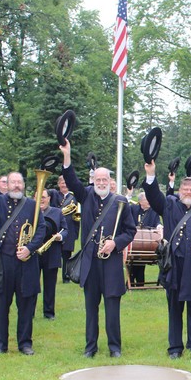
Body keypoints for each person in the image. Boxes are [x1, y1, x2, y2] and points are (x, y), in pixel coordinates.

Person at [61, 142, 136, 358]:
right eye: (98, 179)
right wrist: (67, 156)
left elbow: (130, 231)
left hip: (111, 263)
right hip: (91, 263)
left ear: (110, 182)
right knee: (91, 309)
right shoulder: (86, 195)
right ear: (93, 180)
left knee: (112, 308)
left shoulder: (120, 202)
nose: (101, 183)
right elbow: (71, 180)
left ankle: (115, 347)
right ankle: (90, 347)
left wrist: (116, 243)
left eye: (105, 180)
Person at [142, 159, 191, 359]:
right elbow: (153, 196)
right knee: (174, 310)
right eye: (185, 189)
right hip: (174, 267)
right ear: (180, 190)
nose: (188, 192)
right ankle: (175, 348)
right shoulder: (169, 205)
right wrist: (151, 174)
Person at [0, 169, 47, 355]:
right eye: (13, 182)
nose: (16, 185)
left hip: (26, 263)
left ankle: (25, 344)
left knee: (26, 306)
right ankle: (1, 345)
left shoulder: (32, 204)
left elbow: (41, 229)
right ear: (6, 184)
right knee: (1, 306)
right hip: (3, 264)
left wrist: (29, 248)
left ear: (23, 185)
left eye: (19, 182)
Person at [37, 189, 67, 320]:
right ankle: (29, 312)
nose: (41, 199)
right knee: (31, 285)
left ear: (49, 198)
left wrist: (60, 236)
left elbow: (65, 229)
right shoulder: (31, 211)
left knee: (50, 285)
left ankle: (49, 313)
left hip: (52, 253)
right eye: (38, 197)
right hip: (34, 253)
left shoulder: (57, 212)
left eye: (43, 197)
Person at [129, 191, 161, 287]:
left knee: (140, 262)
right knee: (133, 262)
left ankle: (139, 283)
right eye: (147, 200)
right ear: (140, 201)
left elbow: (157, 222)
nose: (149, 201)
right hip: (133, 243)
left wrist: (159, 227)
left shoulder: (154, 211)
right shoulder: (133, 208)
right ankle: (131, 282)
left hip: (146, 244)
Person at [54, 175, 79, 283]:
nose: (64, 185)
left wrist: (76, 233)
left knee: (67, 254)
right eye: (62, 183)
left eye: (65, 182)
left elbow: (77, 217)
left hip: (69, 228)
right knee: (55, 254)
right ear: (58, 184)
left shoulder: (74, 197)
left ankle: (66, 276)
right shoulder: (55, 196)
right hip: (57, 228)